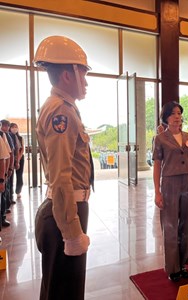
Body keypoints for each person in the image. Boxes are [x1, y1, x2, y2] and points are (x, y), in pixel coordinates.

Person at [34, 35, 94, 300]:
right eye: (82, 71)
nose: (86, 80)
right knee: (65, 291)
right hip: (65, 212)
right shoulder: (62, 112)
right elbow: (61, 177)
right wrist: (71, 232)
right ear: (68, 74)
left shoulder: (62, 107)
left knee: (59, 288)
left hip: (64, 208)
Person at [152, 101, 188, 282]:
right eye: (172, 113)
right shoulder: (160, 139)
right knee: (170, 225)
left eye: (179, 113)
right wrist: (157, 191)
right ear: (165, 118)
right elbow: (157, 166)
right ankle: (172, 267)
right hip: (170, 184)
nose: (177, 116)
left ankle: (183, 264)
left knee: (187, 225)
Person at [0, 120, 14, 227]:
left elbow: (6, 156)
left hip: (2, 174)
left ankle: (2, 217)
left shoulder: (3, 136)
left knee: (3, 196)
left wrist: (3, 176)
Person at [9, 123, 23, 199]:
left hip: (20, 158)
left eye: (16, 127)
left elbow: (21, 149)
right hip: (11, 159)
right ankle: (10, 194)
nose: (15, 129)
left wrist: (18, 159)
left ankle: (18, 191)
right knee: (10, 176)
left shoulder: (20, 137)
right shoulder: (9, 136)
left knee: (19, 175)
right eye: (13, 127)